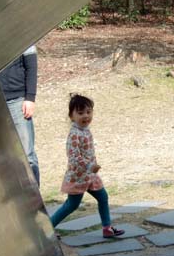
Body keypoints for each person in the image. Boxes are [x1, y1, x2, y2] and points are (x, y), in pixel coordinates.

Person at [50, 94, 125, 238]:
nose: (86, 116)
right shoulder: (74, 134)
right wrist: (90, 165)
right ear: (71, 116)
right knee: (71, 205)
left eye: (89, 112)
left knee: (103, 197)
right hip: (78, 177)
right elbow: (73, 157)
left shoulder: (85, 130)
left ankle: (107, 228)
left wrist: (92, 167)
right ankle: (47, 229)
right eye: (80, 113)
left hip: (90, 176)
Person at [0, 44, 40, 185]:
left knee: (27, 155)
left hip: (18, 100)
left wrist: (30, 98)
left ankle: (36, 200)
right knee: (4, 156)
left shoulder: (22, 35)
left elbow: (31, 67)